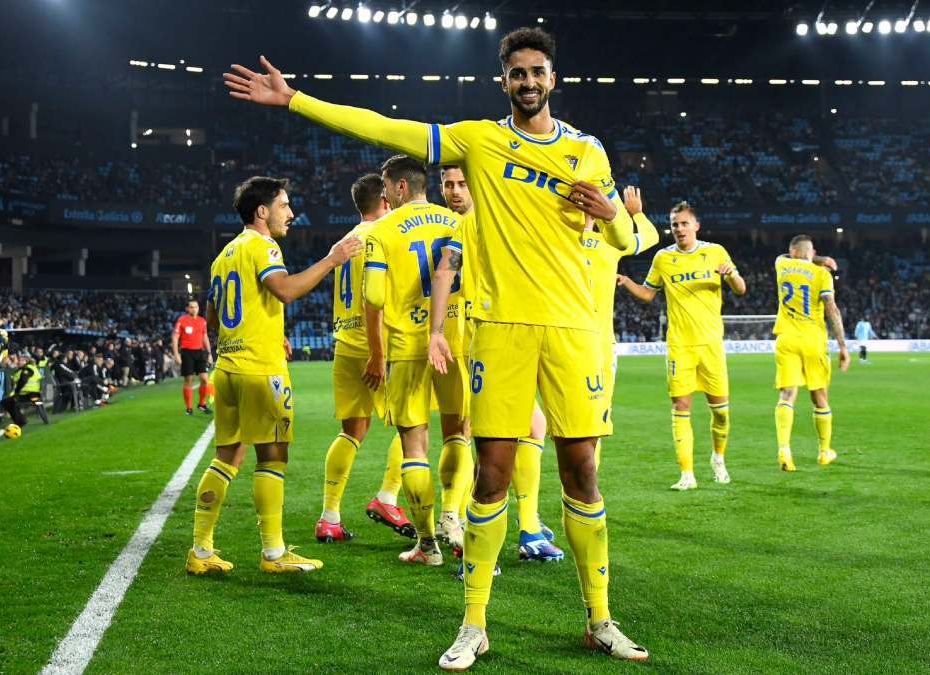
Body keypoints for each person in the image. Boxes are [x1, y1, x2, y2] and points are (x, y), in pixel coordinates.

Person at [225, 26, 648, 666]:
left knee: (582, 470)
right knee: (492, 476)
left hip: (572, 332)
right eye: (518, 73)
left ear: (552, 79)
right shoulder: (477, 140)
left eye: (538, 72)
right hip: (502, 331)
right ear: (503, 80)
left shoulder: (588, 151)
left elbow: (621, 240)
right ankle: (474, 623)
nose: (528, 82)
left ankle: (600, 618)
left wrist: (612, 213)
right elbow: (388, 129)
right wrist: (298, 101)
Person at [185, 176, 361, 576]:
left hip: (227, 369)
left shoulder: (224, 254)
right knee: (274, 456)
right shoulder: (264, 246)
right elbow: (284, 290)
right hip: (260, 370)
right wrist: (332, 259)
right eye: (284, 205)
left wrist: (265, 329)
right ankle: (274, 553)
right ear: (262, 211)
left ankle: (201, 548)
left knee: (227, 457)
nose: (291, 213)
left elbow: (214, 317)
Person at [428, 164, 563, 569]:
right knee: (487, 437)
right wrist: (436, 331)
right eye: (448, 184)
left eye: (462, 183)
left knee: (518, 429)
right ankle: (489, 532)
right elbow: (444, 272)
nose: (454, 191)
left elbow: (444, 271)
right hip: (488, 339)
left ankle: (522, 527)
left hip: (491, 336)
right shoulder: (482, 222)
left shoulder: (467, 226)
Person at [363, 155, 471, 568]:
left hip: (409, 345)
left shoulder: (382, 230)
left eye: (387, 187)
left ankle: (427, 546)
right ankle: (452, 516)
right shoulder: (457, 223)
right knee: (458, 432)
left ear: (400, 187)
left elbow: (374, 296)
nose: (385, 194)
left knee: (415, 446)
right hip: (455, 340)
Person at [617, 201, 745, 488]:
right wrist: (627, 282)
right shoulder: (663, 258)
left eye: (684, 223)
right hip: (679, 346)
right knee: (680, 407)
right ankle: (687, 474)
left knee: (721, 412)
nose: (679, 228)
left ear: (696, 226)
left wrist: (732, 275)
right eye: (675, 224)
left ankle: (718, 458)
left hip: (711, 344)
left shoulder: (715, 252)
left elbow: (741, 289)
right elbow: (649, 294)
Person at [316, 173, 414, 544]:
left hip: (345, 345)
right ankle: (388, 497)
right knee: (411, 426)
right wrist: (380, 352)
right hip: (379, 347)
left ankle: (329, 516)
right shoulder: (385, 236)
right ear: (385, 201)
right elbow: (381, 297)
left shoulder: (344, 241)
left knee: (351, 432)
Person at [582, 186, 660, 471]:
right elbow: (650, 237)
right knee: (594, 426)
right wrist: (636, 214)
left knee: (550, 430)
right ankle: (586, 496)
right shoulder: (610, 245)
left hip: (563, 339)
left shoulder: (556, 241)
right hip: (599, 346)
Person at [772, 235, 850, 471]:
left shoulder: (781, 264)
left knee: (787, 395)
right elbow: (832, 310)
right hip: (813, 340)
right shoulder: (822, 275)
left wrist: (817, 257)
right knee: (820, 396)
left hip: (786, 337)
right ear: (809, 252)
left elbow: (794, 255)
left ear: (792, 251)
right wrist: (843, 345)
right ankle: (825, 452)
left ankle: (784, 448)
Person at [173, 299, 213, 416]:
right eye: (191, 307)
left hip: (199, 352)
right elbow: (175, 337)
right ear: (187, 309)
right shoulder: (182, 320)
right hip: (187, 353)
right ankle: (189, 408)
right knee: (189, 380)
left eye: (196, 307)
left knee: (205, 379)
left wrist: (209, 353)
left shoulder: (202, 321)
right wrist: (176, 354)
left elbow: (205, 337)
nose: (194, 309)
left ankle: (201, 404)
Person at [2, 352, 49, 427]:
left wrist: (16, 393)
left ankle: (21, 421)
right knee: (7, 401)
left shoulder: (28, 369)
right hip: (28, 394)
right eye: (19, 360)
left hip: (30, 394)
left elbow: (23, 381)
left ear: (26, 361)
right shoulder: (25, 369)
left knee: (8, 402)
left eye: (22, 360)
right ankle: (21, 421)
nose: (19, 362)